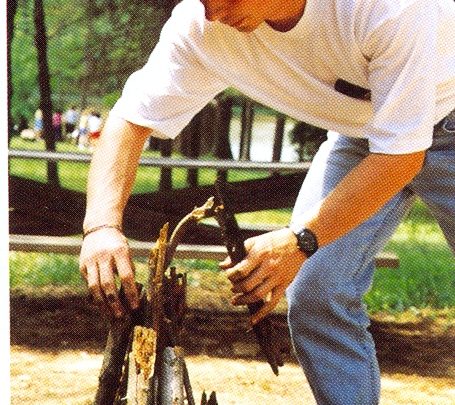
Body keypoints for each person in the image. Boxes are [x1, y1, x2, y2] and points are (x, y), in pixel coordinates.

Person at [79, 0, 455, 403]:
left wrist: (301, 240)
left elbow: (400, 158)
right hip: (364, 136)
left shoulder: (385, 7)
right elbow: (130, 119)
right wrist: (101, 225)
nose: (213, 13)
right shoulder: (202, 24)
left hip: (444, 120)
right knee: (316, 293)